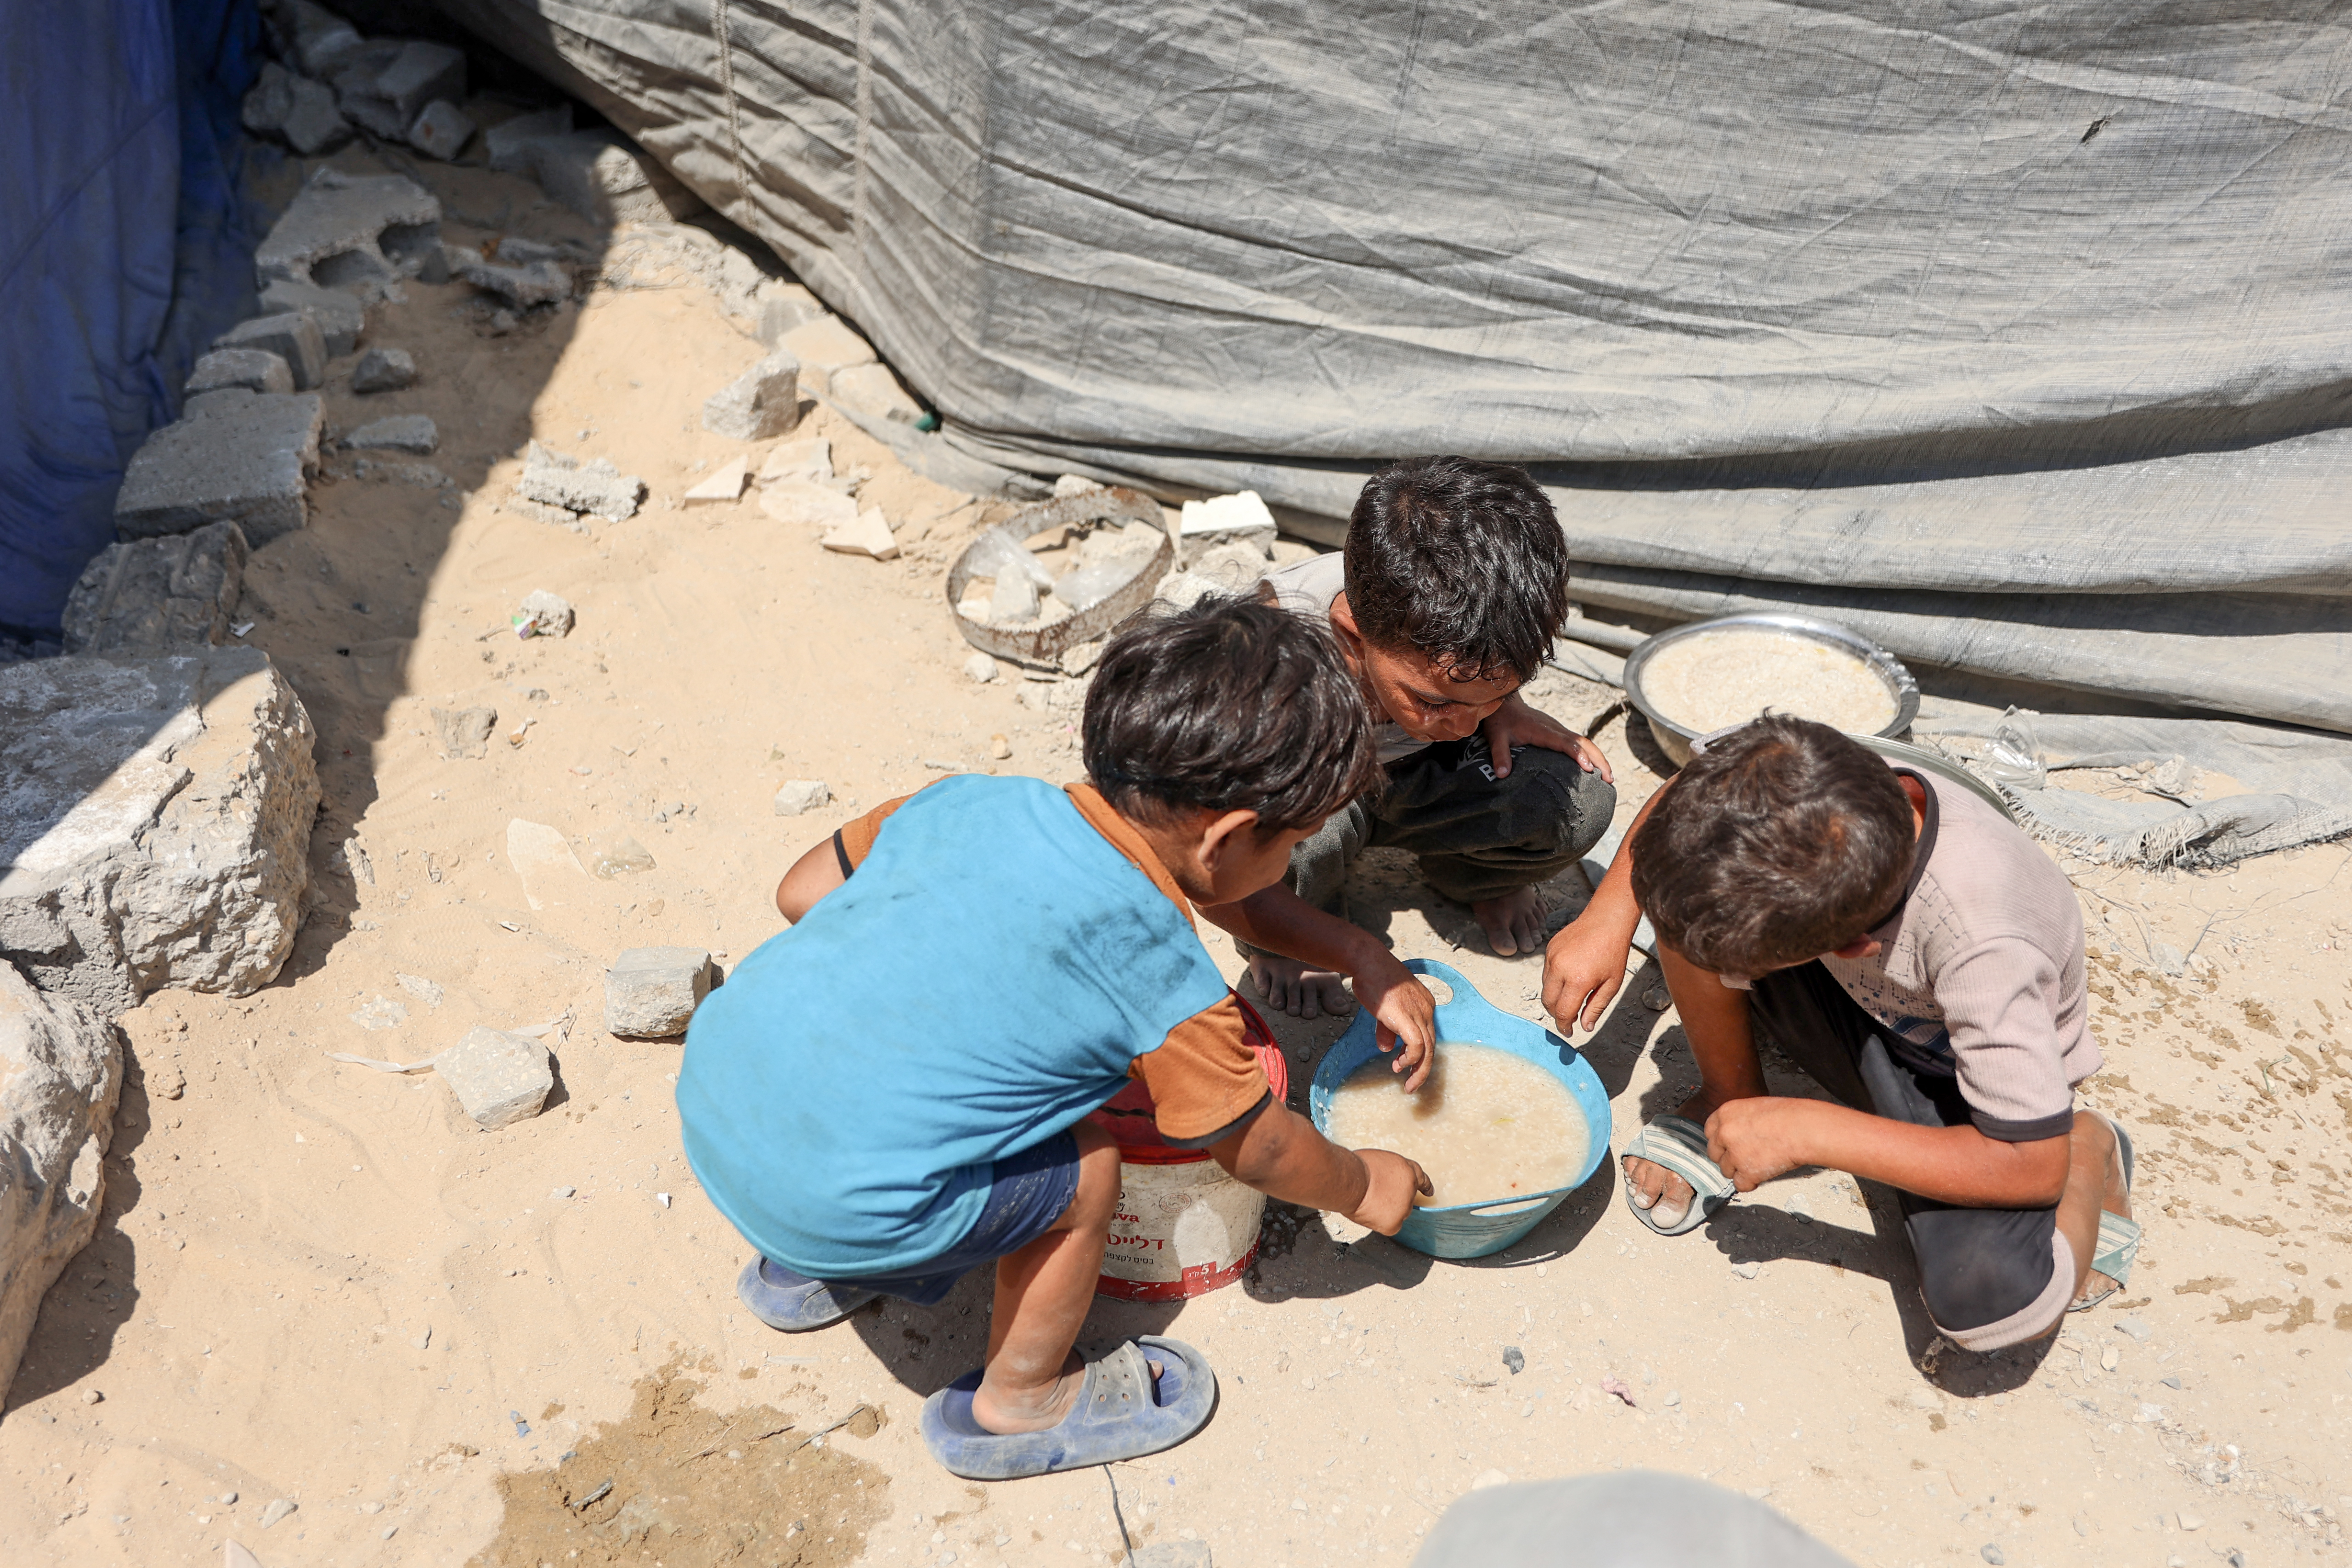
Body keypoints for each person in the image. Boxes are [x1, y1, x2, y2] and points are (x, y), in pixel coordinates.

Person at [675, 597, 1438, 1481]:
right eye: (1295, 844)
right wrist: (1361, 1181)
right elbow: (1260, 1145)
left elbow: (800, 892)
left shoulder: (964, 799)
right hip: (844, 1202)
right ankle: (1023, 1396)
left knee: (867, 1049)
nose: (1292, 861)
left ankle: (798, 1264)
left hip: (719, 1099)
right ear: (1230, 835)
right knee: (1086, 1162)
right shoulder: (1162, 974)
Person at [1542, 716, 2140, 1352]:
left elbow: (2031, 1168)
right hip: (1864, 996)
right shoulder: (1801, 772)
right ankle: (1729, 1093)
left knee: (1992, 1302)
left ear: (1855, 946)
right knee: (1689, 894)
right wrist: (1609, 912)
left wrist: (1811, 1132)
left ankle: (2089, 1142)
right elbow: (1692, 785)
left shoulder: (1984, 943)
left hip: (1949, 1071)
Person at [1237, 456, 1618, 1018]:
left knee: (1576, 801)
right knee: (1279, 836)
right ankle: (1286, 937)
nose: (1464, 725)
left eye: (1493, 692)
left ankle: (1469, 878)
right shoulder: (1273, 663)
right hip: (1316, 785)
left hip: (1407, 776)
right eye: (1435, 701)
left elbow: (1471, 690)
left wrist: (1506, 709)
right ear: (1354, 635)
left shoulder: (1469, 636)